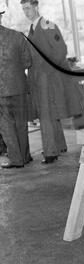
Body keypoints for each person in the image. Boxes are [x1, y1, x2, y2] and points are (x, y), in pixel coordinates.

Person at [21, 0, 82, 164]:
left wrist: (47, 71)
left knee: (45, 115)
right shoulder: (33, 28)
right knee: (50, 113)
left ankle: (50, 152)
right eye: (23, 9)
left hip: (47, 78)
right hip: (38, 78)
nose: (26, 12)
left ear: (35, 7)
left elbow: (61, 51)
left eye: (28, 8)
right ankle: (60, 145)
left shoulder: (48, 26)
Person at [0, 9, 32, 168]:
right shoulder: (17, 36)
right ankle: (25, 156)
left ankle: (16, 159)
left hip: (1, 92)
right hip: (19, 88)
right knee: (21, 123)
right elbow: (28, 62)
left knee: (6, 126)